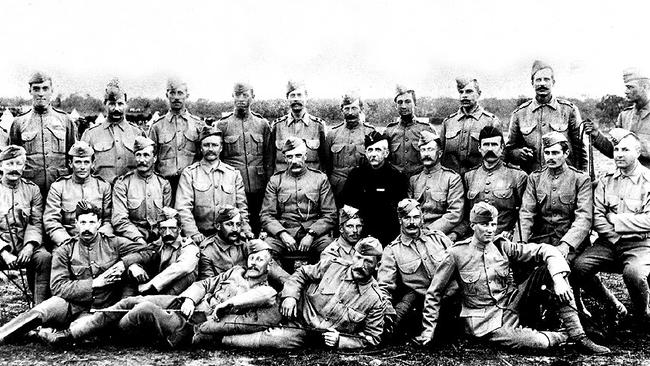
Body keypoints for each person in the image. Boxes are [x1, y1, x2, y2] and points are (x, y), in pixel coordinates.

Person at [415, 202, 609, 354]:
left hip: (513, 301)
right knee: (537, 342)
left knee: (549, 269)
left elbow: (546, 250)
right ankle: (565, 335)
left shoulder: (502, 245)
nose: (490, 229)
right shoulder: (456, 253)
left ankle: (580, 336)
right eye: (484, 225)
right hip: (485, 321)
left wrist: (558, 280)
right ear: (473, 225)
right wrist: (428, 330)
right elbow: (434, 293)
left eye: (493, 224)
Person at [39, 239, 280, 348]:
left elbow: (234, 325)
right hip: (185, 306)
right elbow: (204, 285)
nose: (254, 262)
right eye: (252, 256)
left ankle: (96, 332)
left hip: (191, 327)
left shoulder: (266, 294)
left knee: (143, 310)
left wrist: (208, 319)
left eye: (261, 259)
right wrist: (189, 298)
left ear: (270, 266)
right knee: (132, 300)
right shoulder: (235, 272)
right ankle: (71, 333)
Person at [0, 200, 154, 344]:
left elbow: (149, 252)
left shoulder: (114, 243)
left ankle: (49, 334)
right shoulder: (65, 249)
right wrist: (94, 283)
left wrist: (127, 263)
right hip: (69, 304)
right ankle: (3, 335)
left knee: (83, 331)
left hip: (99, 310)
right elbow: (58, 287)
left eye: (92, 222)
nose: (87, 228)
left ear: (99, 224)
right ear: (76, 224)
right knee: (41, 310)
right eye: (83, 222)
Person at [221, 237, 385, 350]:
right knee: (253, 321)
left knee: (277, 339)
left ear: (377, 265)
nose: (359, 265)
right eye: (357, 257)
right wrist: (290, 296)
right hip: (292, 307)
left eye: (367, 261)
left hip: (308, 334)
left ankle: (220, 340)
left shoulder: (375, 300)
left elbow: (372, 337)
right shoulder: (333, 265)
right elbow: (302, 273)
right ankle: (208, 328)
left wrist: (341, 341)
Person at [574, 128, 650, 322]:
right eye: (616, 149)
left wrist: (616, 220)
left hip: (640, 245)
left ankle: (642, 314)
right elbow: (597, 214)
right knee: (579, 267)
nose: (618, 154)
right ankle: (613, 304)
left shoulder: (648, 181)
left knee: (634, 274)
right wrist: (614, 235)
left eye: (625, 150)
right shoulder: (606, 179)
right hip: (608, 242)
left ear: (638, 152)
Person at [377, 199, 455, 338]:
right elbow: (384, 286)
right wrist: (387, 309)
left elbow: (459, 264)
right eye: (407, 218)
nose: (412, 222)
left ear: (422, 219)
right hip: (421, 301)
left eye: (416, 217)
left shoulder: (438, 238)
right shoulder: (392, 250)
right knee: (393, 327)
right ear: (400, 219)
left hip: (450, 294)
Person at [260, 137, 336, 267]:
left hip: (314, 234)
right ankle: (285, 282)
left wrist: (311, 234)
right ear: (284, 158)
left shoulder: (320, 179)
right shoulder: (275, 181)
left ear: (305, 156)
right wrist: (282, 234)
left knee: (332, 252)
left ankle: (318, 284)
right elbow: (266, 215)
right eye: (290, 157)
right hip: (284, 232)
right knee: (262, 253)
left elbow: (330, 214)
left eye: (298, 156)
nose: (294, 161)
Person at [516, 132, 592, 261]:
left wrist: (566, 244)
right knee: (520, 262)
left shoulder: (581, 179)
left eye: (555, 153)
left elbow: (584, 218)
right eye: (547, 153)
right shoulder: (535, 178)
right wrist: (521, 242)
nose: (550, 157)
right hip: (542, 238)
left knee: (558, 265)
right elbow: (526, 213)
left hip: (571, 242)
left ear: (566, 153)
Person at [505, 60, 587, 173]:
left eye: (546, 79)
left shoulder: (569, 110)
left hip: (564, 180)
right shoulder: (519, 114)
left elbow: (581, 149)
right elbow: (508, 150)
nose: (542, 83)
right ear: (532, 83)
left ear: (553, 82)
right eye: (538, 80)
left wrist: (583, 177)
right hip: (532, 179)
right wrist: (518, 153)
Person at [175, 126, 251, 245]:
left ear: (221, 148)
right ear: (200, 148)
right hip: (201, 236)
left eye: (215, 145)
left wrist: (245, 228)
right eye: (206, 145)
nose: (210, 149)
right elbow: (183, 208)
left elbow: (242, 207)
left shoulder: (233, 174)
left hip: (229, 236)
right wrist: (193, 233)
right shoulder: (190, 173)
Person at [216, 82, 272, 235]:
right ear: (232, 96)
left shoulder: (262, 124)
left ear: (252, 97)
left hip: (259, 186)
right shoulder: (222, 125)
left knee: (257, 224)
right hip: (232, 187)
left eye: (245, 95)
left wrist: (269, 184)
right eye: (237, 95)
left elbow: (268, 158)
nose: (241, 99)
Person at [10, 71, 76, 197]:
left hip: (61, 190)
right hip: (29, 191)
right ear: (30, 91)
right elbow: (12, 158)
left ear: (52, 90)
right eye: (36, 89)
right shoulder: (19, 123)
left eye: (45, 88)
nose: (41, 93)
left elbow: (73, 157)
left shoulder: (65, 121)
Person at [340, 131, 409, 245]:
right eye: (370, 150)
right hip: (360, 233)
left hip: (388, 233)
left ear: (386, 153)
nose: (373, 154)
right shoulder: (356, 175)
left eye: (378, 150)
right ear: (366, 153)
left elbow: (399, 211)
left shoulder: (397, 177)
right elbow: (347, 205)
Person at [0, 146, 49, 304]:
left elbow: (36, 222)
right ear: (1, 166)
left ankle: (39, 310)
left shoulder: (32, 190)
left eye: (18, 164)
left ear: (24, 165)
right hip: (1, 247)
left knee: (43, 257)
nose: (14, 168)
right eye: (10, 164)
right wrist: (4, 253)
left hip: (23, 245)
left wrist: (29, 246)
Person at [461, 126, 527, 238]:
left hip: (504, 238)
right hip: (475, 238)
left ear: (501, 148)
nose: (490, 149)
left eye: (494, 145)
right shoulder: (469, 176)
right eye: (486, 145)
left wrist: (513, 234)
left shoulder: (518, 176)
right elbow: (464, 214)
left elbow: (525, 213)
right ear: (479, 148)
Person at [44, 141, 113, 247]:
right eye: (78, 162)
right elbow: (51, 221)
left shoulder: (104, 187)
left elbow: (108, 220)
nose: (82, 167)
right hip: (66, 243)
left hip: (98, 244)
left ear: (93, 164)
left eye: (86, 162)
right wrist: (67, 242)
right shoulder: (58, 187)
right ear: (70, 164)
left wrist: (98, 241)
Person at [81, 78, 145, 183]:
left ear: (126, 104)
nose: (116, 108)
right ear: (105, 103)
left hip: (130, 194)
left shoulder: (138, 133)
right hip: (100, 194)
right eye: (111, 104)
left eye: (120, 104)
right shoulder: (90, 134)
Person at [148, 78, 204, 195]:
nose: (176, 97)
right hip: (164, 185)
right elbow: (150, 157)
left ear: (187, 95)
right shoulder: (157, 126)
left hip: (191, 185)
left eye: (180, 93)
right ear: (167, 95)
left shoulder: (198, 125)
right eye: (172, 93)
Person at [112, 136, 172, 244]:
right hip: (132, 239)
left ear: (154, 158)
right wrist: (138, 238)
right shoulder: (122, 184)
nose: (141, 160)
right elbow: (119, 220)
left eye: (146, 155)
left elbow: (168, 217)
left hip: (160, 238)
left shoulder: (163, 184)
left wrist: (160, 239)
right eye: (138, 155)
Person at [586, 68, 650, 168]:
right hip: (626, 178)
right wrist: (596, 135)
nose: (626, 91)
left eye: (630, 87)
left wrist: (633, 144)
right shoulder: (624, 116)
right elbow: (613, 151)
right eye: (626, 87)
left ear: (644, 87)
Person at [408, 130, 464, 240]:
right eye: (423, 150)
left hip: (440, 235)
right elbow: (408, 210)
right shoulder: (414, 179)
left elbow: (455, 213)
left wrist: (428, 232)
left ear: (439, 153)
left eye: (430, 149)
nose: (426, 154)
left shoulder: (452, 178)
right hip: (415, 233)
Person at [440, 76, 500, 176]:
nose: (464, 96)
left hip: (479, 181)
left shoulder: (491, 121)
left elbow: (500, 156)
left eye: (469, 92)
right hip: (451, 183)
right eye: (461, 92)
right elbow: (440, 153)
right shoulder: (448, 122)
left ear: (479, 94)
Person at [324, 91, 375, 205]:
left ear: (361, 109)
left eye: (354, 108)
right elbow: (326, 165)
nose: (350, 112)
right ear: (341, 110)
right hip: (337, 189)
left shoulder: (370, 132)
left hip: (362, 187)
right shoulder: (333, 134)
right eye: (347, 108)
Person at [136, 207, 199, 296]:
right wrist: (134, 266)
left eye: (172, 228)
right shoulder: (156, 245)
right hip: (154, 293)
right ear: (158, 229)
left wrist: (150, 284)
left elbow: (182, 268)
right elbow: (142, 257)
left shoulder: (189, 247)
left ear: (180, 228)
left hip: (179, 294)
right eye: (163, 229)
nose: (167, 233)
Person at [269, 81, 328, 173]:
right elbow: (270, 160)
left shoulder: (318, 126)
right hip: (283, 182)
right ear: (287, 98)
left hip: (311, 182)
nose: (296, 99)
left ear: (306, 97)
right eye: (292, 95)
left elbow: (325, 161)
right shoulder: (277, 126)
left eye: (299, 95)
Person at [385, 85, 435, 177]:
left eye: (408, 102)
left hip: (420, 181)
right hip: (396, 181)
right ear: (396, 106)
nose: (403, 106)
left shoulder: (427, 129)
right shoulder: (389, 131)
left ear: (414, 104)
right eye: (400, 102)